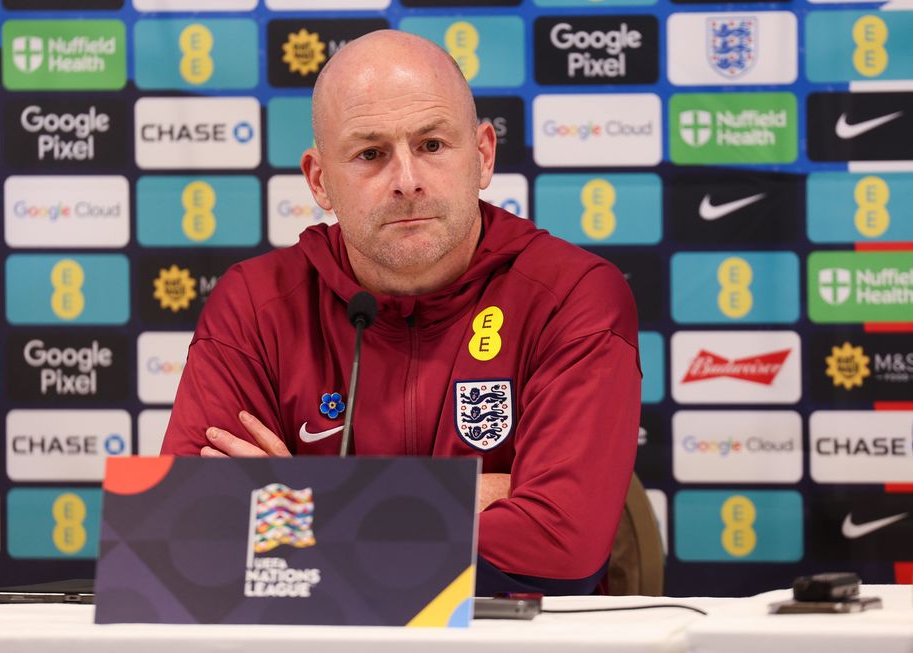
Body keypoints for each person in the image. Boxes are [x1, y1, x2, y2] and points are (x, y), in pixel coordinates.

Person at [161, 29, 642, 595]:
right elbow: (184, 539)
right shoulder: (254, 306)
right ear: (320, 180)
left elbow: (558, 550)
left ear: (483, 155)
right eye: (370, 154)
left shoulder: (572, 295)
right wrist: (475, 494)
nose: (407, 181)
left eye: (433, 145)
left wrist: (298, 499)